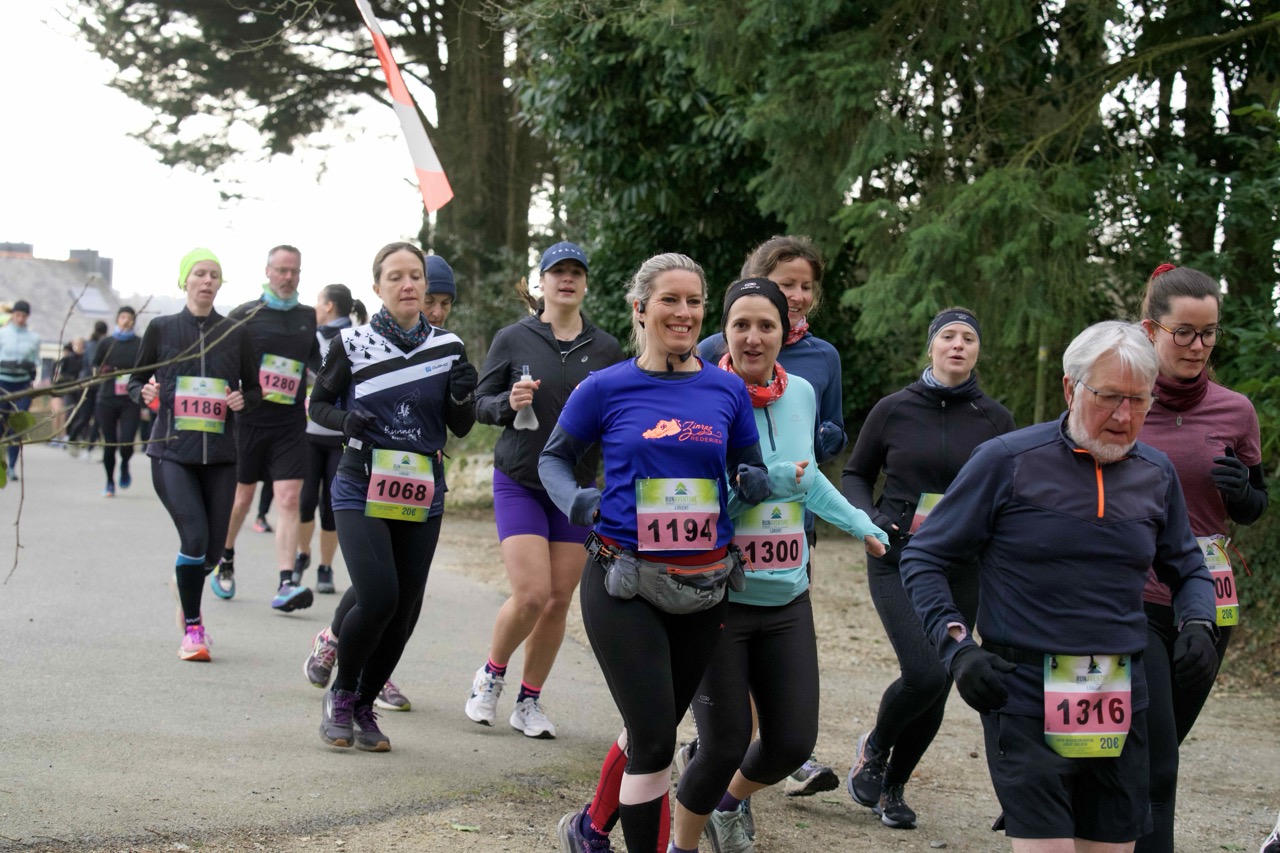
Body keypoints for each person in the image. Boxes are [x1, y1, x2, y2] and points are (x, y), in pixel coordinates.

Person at [900, 320, 1218, 852]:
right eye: (1109, 397)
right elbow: (925, 556)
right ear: (1071, 389)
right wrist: (958, 647)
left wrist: (1199, 621)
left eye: (1139, 401)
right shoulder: (1006, 461)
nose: (1124, 417)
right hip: (1023, 693)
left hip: (1117, 699)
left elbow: (1187, 568)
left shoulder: (1156, 473)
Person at [541, 253, 769, 853]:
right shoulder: (605, 387)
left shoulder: (727, 390)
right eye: (670, 300)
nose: (684, 312)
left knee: (655, 729)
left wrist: (752, 480)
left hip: (705, 586)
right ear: (640, 309)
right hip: (625, 580)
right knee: (655, 742)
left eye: (694, 301)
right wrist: (575, 499)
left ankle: (589, 829)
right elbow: (553, 458)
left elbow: (746, 462)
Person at [670, 278, 888, 853]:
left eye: (765, 325)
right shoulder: (700, 397)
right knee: (721, 745)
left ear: (784, 331)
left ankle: (727, 806)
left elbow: (808, 479)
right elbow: (692, 508)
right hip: (719, 597)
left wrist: (861, 524)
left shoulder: (804, 394)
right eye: (740, 325)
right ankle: (680, 846)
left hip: (788, 596)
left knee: (792, 743)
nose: (753, 337)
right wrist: (761, 487)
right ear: (723, 331)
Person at [840, 307, 1015, 828]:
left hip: (961, 565)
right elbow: (855, 474)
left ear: (978, 351)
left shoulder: (996, 420)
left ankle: (894, 787)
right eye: (948, 336)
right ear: (932, 346)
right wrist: (870, 520)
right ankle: (875, 747)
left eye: (968, 338)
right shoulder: (893, 409)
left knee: (943, 680)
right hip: (896, 556)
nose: (958, 344)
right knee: (925, 670)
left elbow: (1010, 493)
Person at [308, 241, 476, 751]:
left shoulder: (448, 347)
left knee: (405, 610)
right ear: (377, 287)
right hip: (361, 482)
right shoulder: (353, 343)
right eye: (396, 277)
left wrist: (462, 395)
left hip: (422, 488)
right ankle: (341, 695)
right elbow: (318, 405)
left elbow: (460, 426)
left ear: (426, 284)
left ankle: (365, 704)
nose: (408, 285)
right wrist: (345, 420)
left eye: (415, 276)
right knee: (380, 595)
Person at [697, 234, 846, 795]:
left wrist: (828, 440)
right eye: (788, 284)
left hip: (792, 527)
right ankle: (717, 749)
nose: (799, 295)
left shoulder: (822, 359)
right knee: (731, 663)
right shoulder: (716, 348)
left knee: (776, 643)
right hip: (725, 534)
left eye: (807, 286)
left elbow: (828, 433)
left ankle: (762, 755)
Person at [464, 241, 624, 739]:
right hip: (521, 481)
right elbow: (479, 403)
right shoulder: (514, 338)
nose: (567, 279)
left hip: (575, 488)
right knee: (532, 594)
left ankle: (528, 702)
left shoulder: (607, 349)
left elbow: (620, 419)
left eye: (576, 271)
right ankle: (490, 677)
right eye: (558, 271)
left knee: (558, 600)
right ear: (543, 282)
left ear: (586, 283)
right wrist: (507, 404)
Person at [1134, 265, 1269, 853]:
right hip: (1134, 595)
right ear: (1151, 330)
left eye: (1209, 333)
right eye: (1184, 332)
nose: (1198, 346)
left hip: (1210, 603)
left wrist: (1242, 492)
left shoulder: (1236, 412)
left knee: (1156, 748)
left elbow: (1254, 507)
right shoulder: (1122, 399)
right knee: (1157, 761)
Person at [127, 249, 261, 661]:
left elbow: (255, 390)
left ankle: (185, 581)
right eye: (199, 273)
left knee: (212, 552)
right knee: (196, 538)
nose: (207, 281)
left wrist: (243, 400)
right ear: (184, 280)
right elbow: (134, 381)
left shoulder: (235, 332)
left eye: (214, 275)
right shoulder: (162, 328)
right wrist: (144, 392)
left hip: (221, 455)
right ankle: (193, 629)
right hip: (171, 452)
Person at [213, 245, 321, 612]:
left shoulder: (307, 316)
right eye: (282, 270)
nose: (288, 277)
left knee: (289, 499)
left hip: (290, 424)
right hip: (249, 422)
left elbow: (318, 363)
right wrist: (228, 395)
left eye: (295, 271)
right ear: (268, 271)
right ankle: (225, 556)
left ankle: (286, 582)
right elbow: (221, 360)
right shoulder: (245, 315)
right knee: (241, 500)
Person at [295, 284, 368, 596]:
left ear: (328, 306)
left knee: (330, 506)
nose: (314, 307)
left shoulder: (356, 339)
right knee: (304, 501)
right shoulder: (310, 338)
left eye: (317, 302)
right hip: (308, 434)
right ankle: (302, 555)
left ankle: (325, 567)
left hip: (340, 434)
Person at [93, 306, 144, 497]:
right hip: (107, 398)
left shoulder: (140, 343)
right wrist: (104, 371)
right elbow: (95, 365)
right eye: (122, 317)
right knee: (109, 443)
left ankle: (125, 463)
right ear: (117, 320)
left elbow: (147, 367)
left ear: (134, 321)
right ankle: (109, 482)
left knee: (127, 441)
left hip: (130, 399)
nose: (126, 321)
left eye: (129, 318)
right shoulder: (106, 342)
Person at [0, 299, 41, 477]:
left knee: (18, 425)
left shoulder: (34, 338)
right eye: (17, 315)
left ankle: (12, 466)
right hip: (2, 383)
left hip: (22, 385)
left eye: (23, 315)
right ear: (13, 315)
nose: (20, 318)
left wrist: (30, 369)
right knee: (1, 424)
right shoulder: (2, 334)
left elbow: (36, 361)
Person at [67, 320, 110, 458]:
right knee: (85, 417)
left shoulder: (94, 344)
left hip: (97, 385)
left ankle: (88, 447)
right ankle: (72, 439)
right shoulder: (94, 345)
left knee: (97, 418)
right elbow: (94, 363)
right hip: (89, 385)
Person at [50, 339, 84, 443]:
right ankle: (55, 436)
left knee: (64, 414)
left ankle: (63, 435)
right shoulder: (59, 363)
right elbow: (54, 378)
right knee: (57, 413)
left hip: (66, 391)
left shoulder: (76, 362)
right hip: (57, 390)